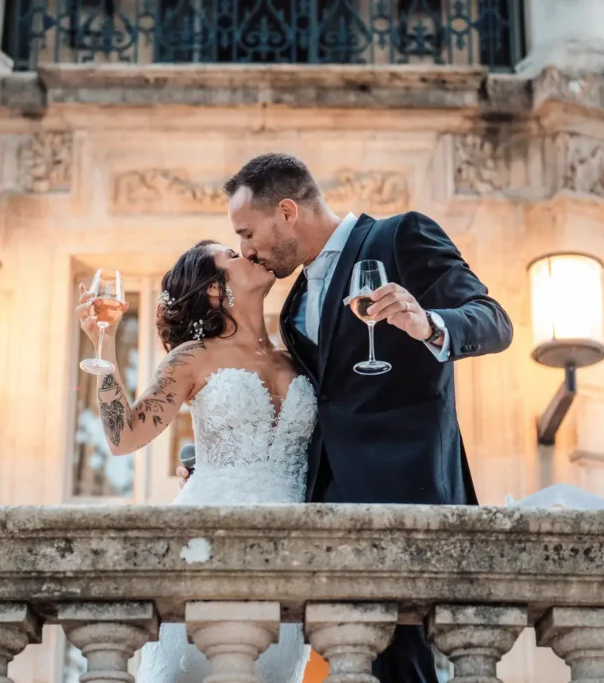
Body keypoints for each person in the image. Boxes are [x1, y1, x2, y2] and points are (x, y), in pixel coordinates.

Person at [177, 153, 513, 683]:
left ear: (287, 211)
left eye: (246, 232)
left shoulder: (400, 237)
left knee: (404, 661)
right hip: (326, 516)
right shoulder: (293, 304)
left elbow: (493, 320)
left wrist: (428, 323)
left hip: (407, 498)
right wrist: (211, 454)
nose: (245, 250)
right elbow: (307, 402)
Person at [75, 240, 315, 683]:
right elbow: (124, 436)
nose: (250, 252)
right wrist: (103, 348)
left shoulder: (300, 357)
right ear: (212, 289)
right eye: (233, 254)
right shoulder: (191, 357)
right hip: (207, 546)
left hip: (291, 557)